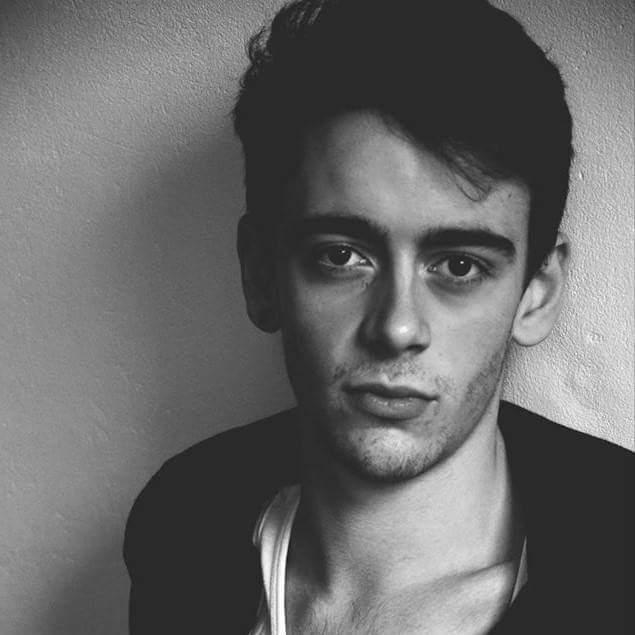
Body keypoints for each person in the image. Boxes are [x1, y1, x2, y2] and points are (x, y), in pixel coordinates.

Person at [123, 0, 633, 632]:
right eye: (340, 256)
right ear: (260, 274)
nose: (396, 327)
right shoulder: (180, 529)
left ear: (538, 292)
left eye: (459, 266)